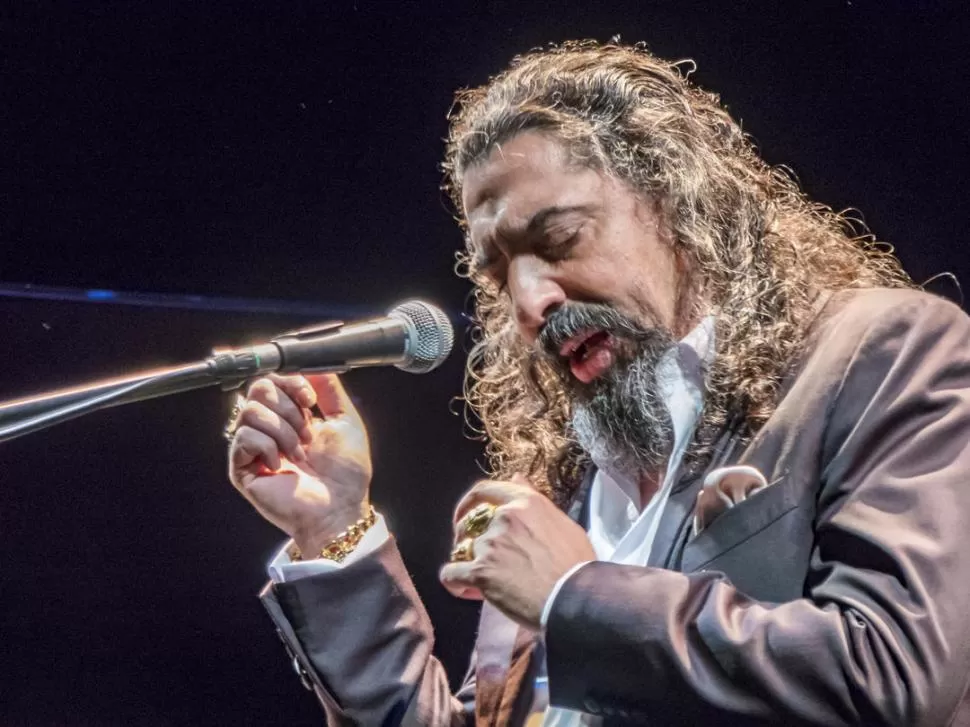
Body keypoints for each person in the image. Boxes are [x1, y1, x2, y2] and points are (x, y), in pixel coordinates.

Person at [226, 40, 970, 725]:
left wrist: (571, 592)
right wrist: (334, 531)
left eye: (557, 240)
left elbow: (892, 669)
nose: (528, 301)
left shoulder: (878, 352)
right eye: (498, 274)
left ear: (679, 204)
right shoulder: (566, 483)